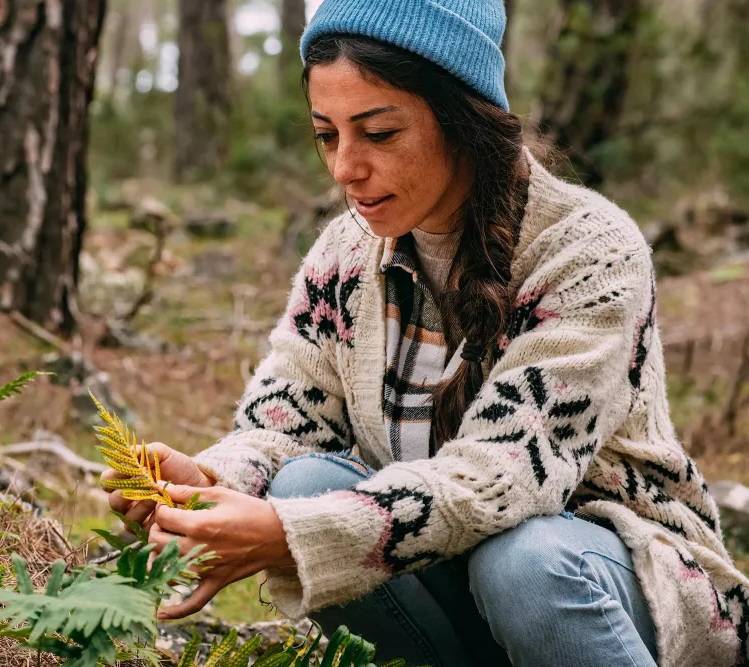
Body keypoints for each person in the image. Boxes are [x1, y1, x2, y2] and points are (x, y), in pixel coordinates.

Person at [102, 1, 749, 665]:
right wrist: (217, 481)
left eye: (378, 134)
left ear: (463, 118)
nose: (344, 168)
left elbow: (499, 477)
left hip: (612, 584)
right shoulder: (345, 257)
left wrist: (289, 533)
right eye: (327, 135)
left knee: (522, 562)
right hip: (451, 578)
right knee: (301, 486)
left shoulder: (590, 254)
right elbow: (284, 424)